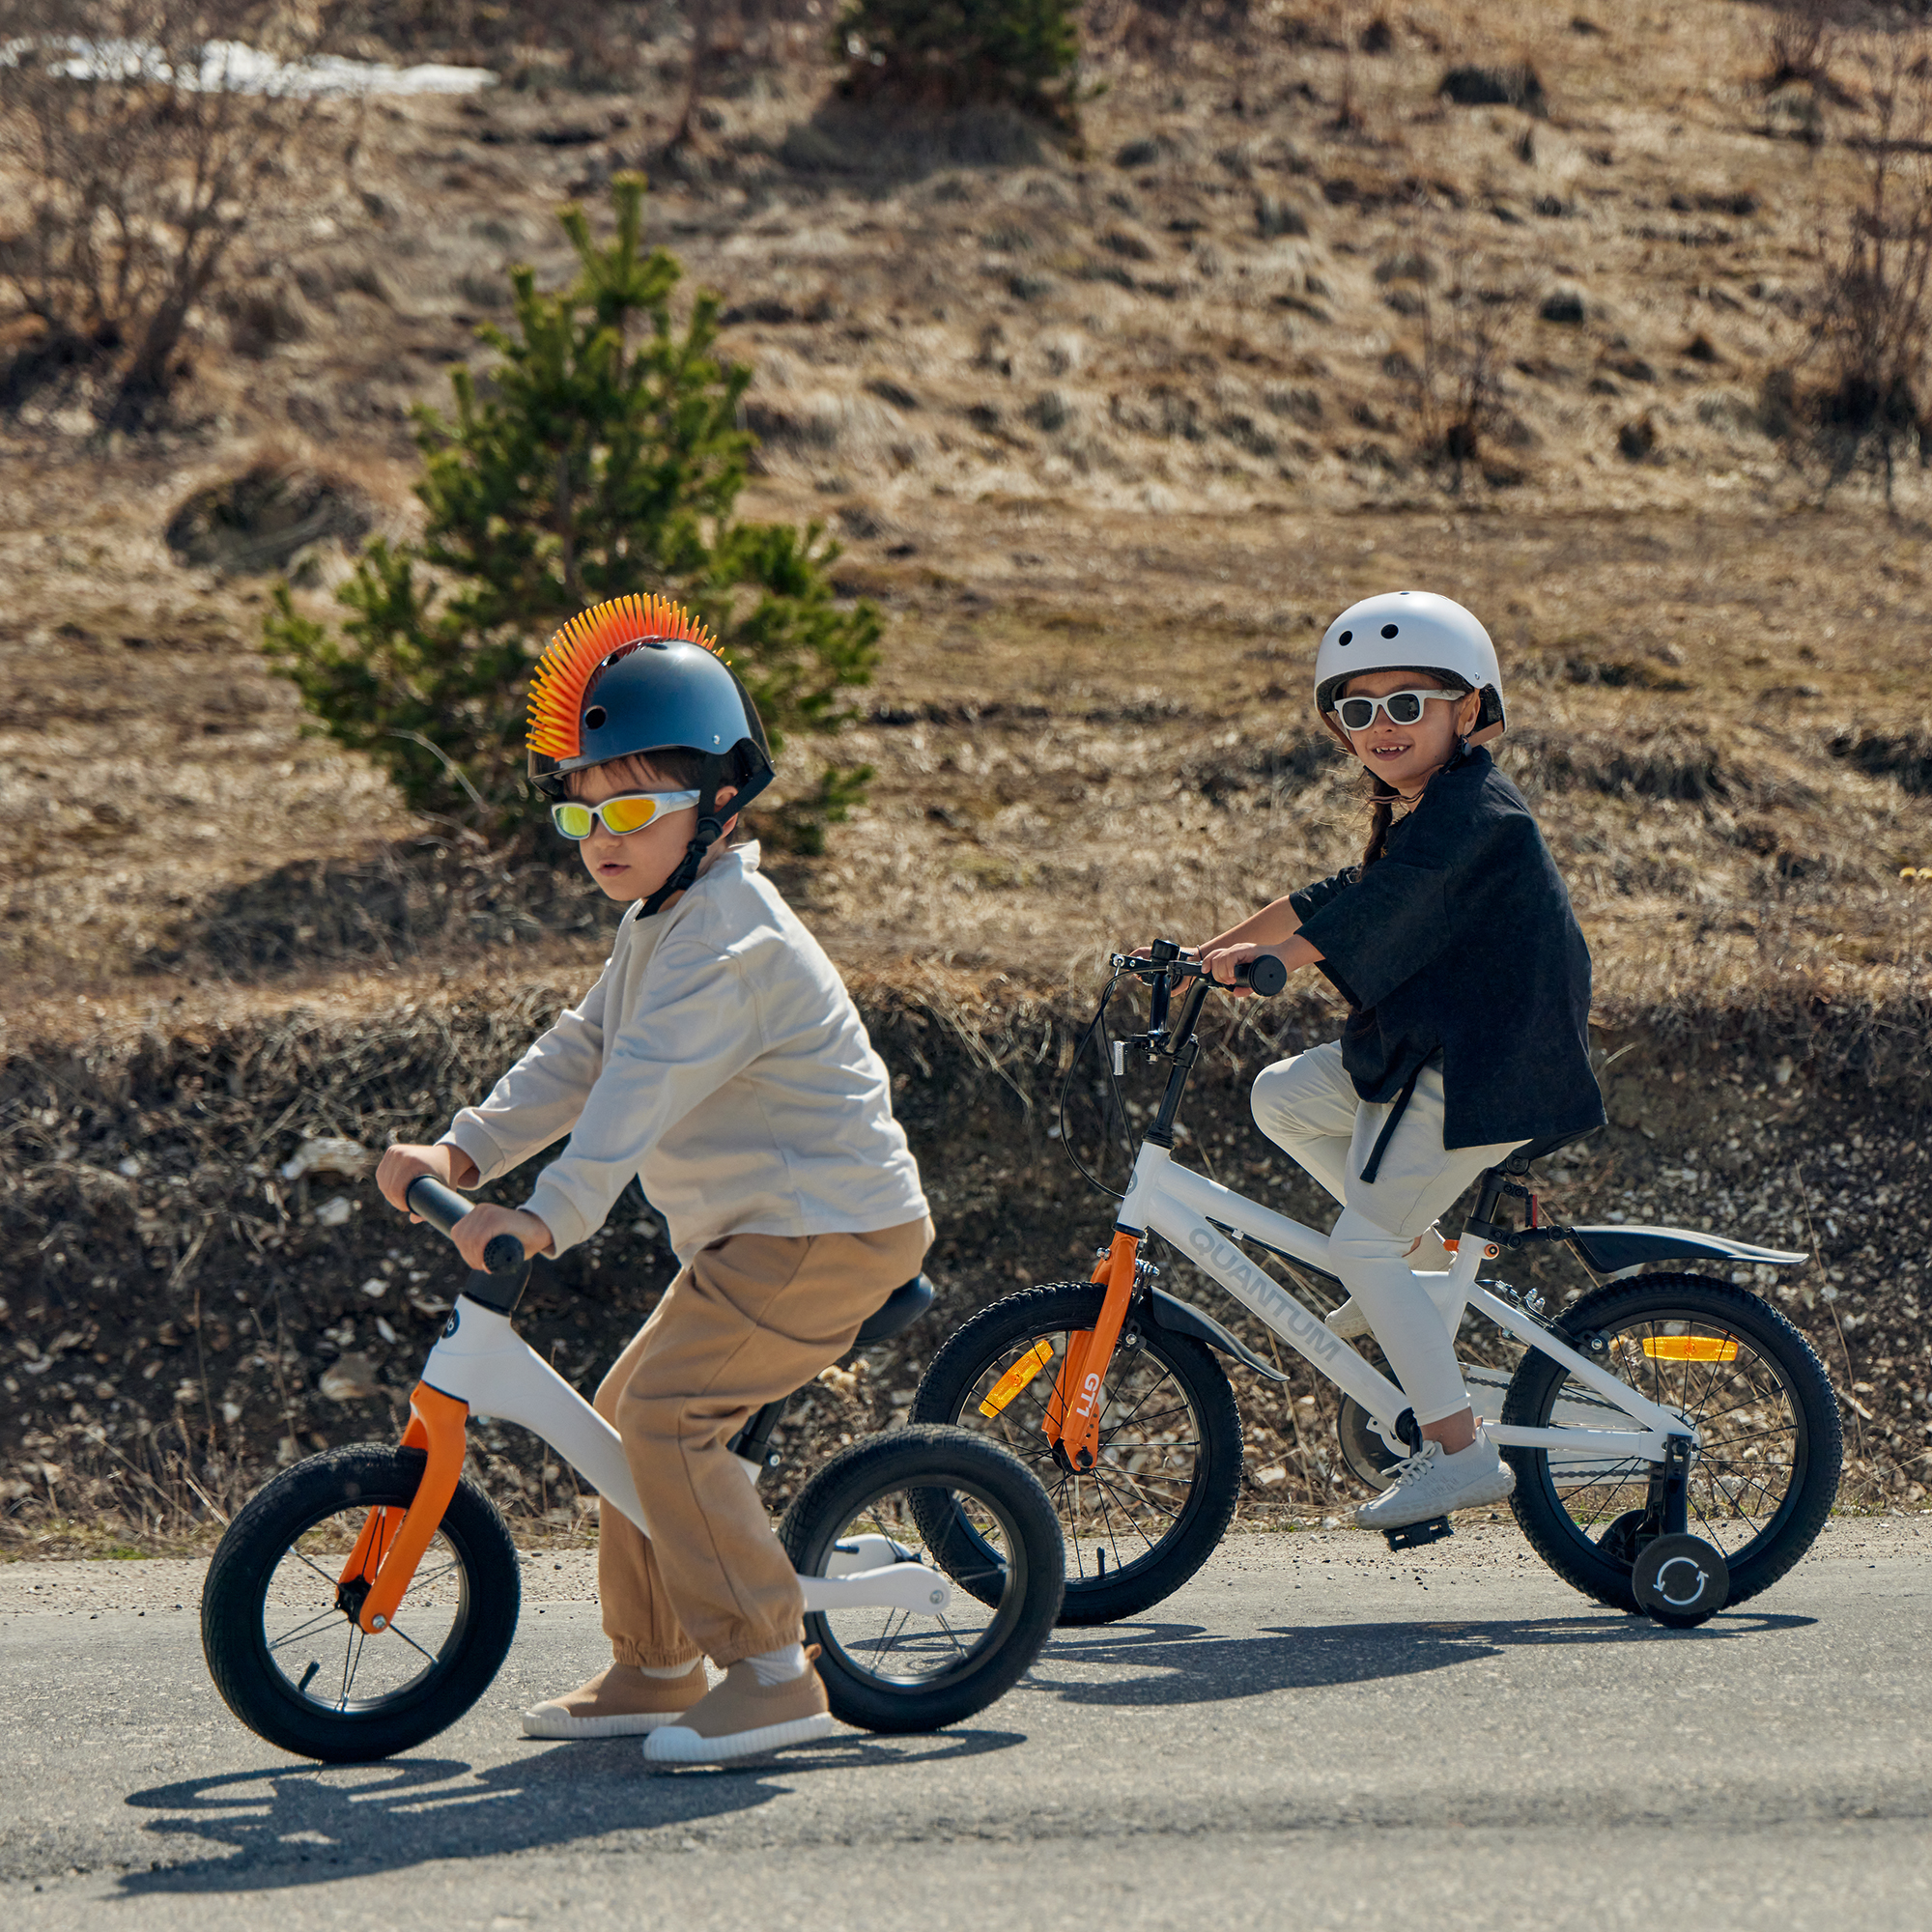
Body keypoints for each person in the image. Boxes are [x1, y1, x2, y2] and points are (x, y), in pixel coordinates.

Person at [377, 593, 931, 1763]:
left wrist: (539, 1216)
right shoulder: (661, 919)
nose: (600, 834)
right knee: (628, 1413)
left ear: (718, 802)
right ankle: (656, 1660)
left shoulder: (730, 939)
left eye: (629, 804)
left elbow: (632, 1097)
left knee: (670, 1421)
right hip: (757, 1233)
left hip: (829, 1230)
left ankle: (774, 1670)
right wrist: (464, 1151)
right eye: (578, 809)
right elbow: (582, 1049)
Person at [1192, 590, 1604, 1530]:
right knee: (1282, 1097)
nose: (1379, 725)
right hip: (1437, 1044)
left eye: (1406, 702)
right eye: (1356, 707)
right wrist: (1201, 957)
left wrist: (1272, 966)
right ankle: (1412, 1260)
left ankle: (1457, 1449)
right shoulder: (1428, 809)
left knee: (1354, 1242)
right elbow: (1336, 895)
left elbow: (1374, 916)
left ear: (1468, 709)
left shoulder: (1475, 816)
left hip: (1480, 1061)